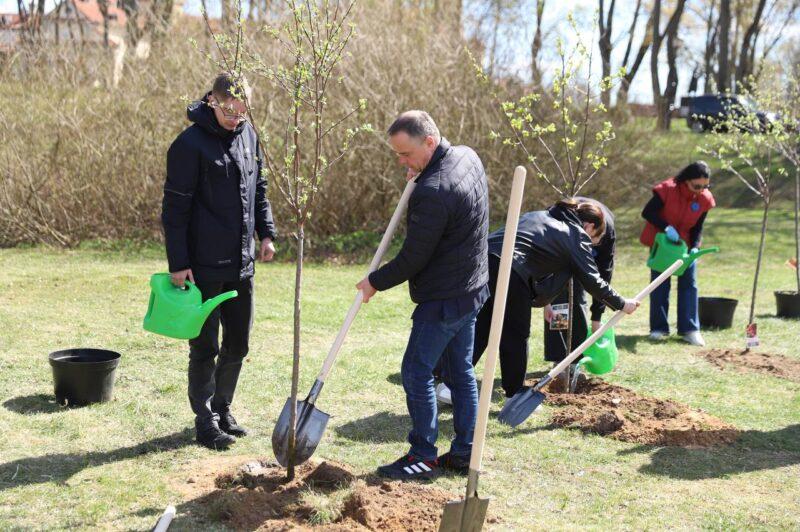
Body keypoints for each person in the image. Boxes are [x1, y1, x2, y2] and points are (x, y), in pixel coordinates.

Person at [356, 110, 489, 479]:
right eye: (397, 154)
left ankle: (422, 454)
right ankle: (464, 451)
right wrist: (422, 171)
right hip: (473, 288)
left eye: (405, 154)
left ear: (429, 142)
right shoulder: (467, 155)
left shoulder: (432, 192)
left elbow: (413, 257)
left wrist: (375, 282)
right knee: (460, 370)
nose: (401, 163)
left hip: (445, 299)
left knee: (416, 371)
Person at [162, 73, 277, 450]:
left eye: (243, 112)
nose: (236, 118)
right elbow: (174, 210)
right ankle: (205, 419)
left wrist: (267, 233)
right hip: (203, 267)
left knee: (239, 343)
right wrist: (178, 263)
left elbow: (258, 189)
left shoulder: (248, 136)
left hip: (242, 265)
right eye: (230, 111)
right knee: (205, 346)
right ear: (212, 99)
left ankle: (223, 407)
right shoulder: (188, 145)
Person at [437, 199, 639, 401]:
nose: (593, 245)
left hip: (481, 261)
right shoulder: (575, 234)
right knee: (515, 334)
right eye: (595, 239)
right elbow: (593, 279)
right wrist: (622, 303)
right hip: (512, 270)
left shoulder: (539, 215)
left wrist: (547, 301)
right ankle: (514, 394)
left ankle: (449, 386)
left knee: (481, 327)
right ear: (589, 226)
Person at [541, 197, 616, 390]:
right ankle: (559, 360)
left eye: (594, 243)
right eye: (591, 241)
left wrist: (597, 316)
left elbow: (604, 275)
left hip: (585, 266)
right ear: (587, 227)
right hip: (558, 260)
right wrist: (546, 300)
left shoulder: (606, 234)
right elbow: (544, 263)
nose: (591, 245)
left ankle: (575, 359)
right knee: (559, 307)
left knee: (578, 305)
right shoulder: (556, 222)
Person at [640, 161, 715, 346]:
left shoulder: (704, 199)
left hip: (686, 246)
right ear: (686, 181)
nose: (701, 190)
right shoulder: (667, 189)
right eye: (697, 186)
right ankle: (658, 328)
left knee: (689, 285)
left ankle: (690, 329)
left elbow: (698, 226)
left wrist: (695, 246)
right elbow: (647, 212)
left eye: (705, 186)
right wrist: (666, 228)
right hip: (664, 244)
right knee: (660, 284)